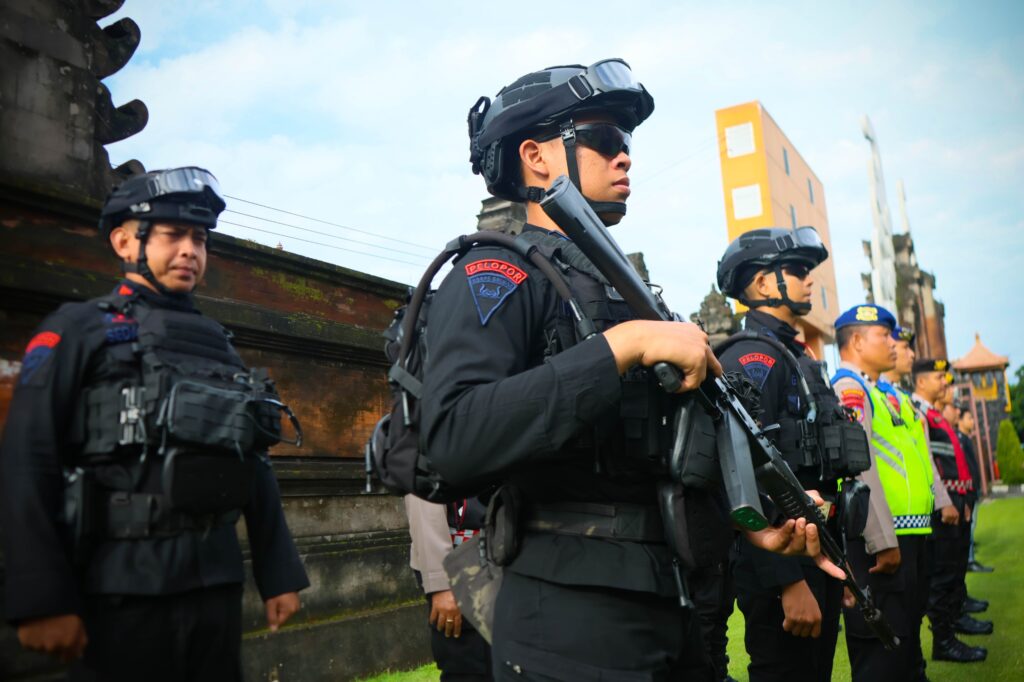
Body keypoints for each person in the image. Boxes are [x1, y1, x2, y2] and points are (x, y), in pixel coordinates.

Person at [422, 58, 844, 680]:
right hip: (569, 612)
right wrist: (622, 347)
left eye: (626, 143)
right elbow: (453, 437)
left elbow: (664, 456)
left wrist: (752, 524)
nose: (625, 157)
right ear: (535, 157)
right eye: (603, 138)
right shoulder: (497, 273)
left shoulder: (627, 296)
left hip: (668, 598)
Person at [0, 167, 309, 680]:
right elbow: (28, 457)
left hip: (214, 585)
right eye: (173, 234)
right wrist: (40, 596)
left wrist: (278, 574)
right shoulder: (78, 330)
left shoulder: (219, 345)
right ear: (124, 242)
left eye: (200, 238)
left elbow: (252, 461)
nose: (190, 250)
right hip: (120, 586)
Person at [714, 227, 864, 682]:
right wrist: (788, 581)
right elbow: (746, 472)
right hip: (783, 562)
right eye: (797, 270)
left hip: (817, 549)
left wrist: (838, 564)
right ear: (763, 283)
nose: (809, 279)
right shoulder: (752, 357)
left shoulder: (795, 355)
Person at [830, 305, 948, 681]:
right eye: (884, 335)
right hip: (879, 538)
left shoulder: (877, 391)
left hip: (905, 530)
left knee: (904, 637)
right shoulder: (850, 389)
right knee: (881, 648)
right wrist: (881, 538)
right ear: (857, 341)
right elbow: (860, 468)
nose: (893, 343)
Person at [911, 361, 992, 658]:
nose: (944, 383)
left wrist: (964, 499)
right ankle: (943, 640)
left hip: (956, 500)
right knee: (943, 574)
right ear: (921, 382)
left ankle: (955, 621)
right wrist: (944, 501)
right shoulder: (919, 412)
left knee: (955, 568)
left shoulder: (934, 414)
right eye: (938, 377)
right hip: (943, 504)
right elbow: (928, 462)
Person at [405, 495, 493, 681]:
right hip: (459, 566)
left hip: (503, 562)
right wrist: (443, 585)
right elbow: (426, 507)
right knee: (468, 665)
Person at [952, 406, 994, 577]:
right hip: (965, 492)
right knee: (969, 526)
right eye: (969, 418)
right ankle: (969, 560)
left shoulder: (966, 439)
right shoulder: (959, 439)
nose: (972, 422)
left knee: (971, 526)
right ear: (961, 420)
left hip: (971, 490)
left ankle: (970, 558)